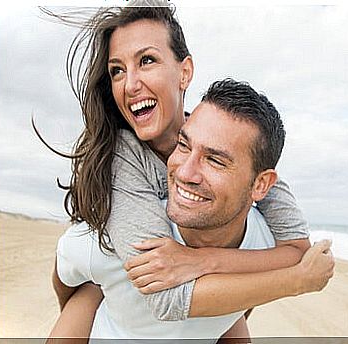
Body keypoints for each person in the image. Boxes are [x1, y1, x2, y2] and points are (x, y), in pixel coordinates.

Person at [40, 1, 333, 340]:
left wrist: (204, 261)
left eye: (146, 61)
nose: (129, 84)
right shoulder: (122, 163)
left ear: (184, 72)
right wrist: (297, 282)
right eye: (117, 70)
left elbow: (296, 248)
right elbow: (163, 294)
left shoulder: (228, 142)